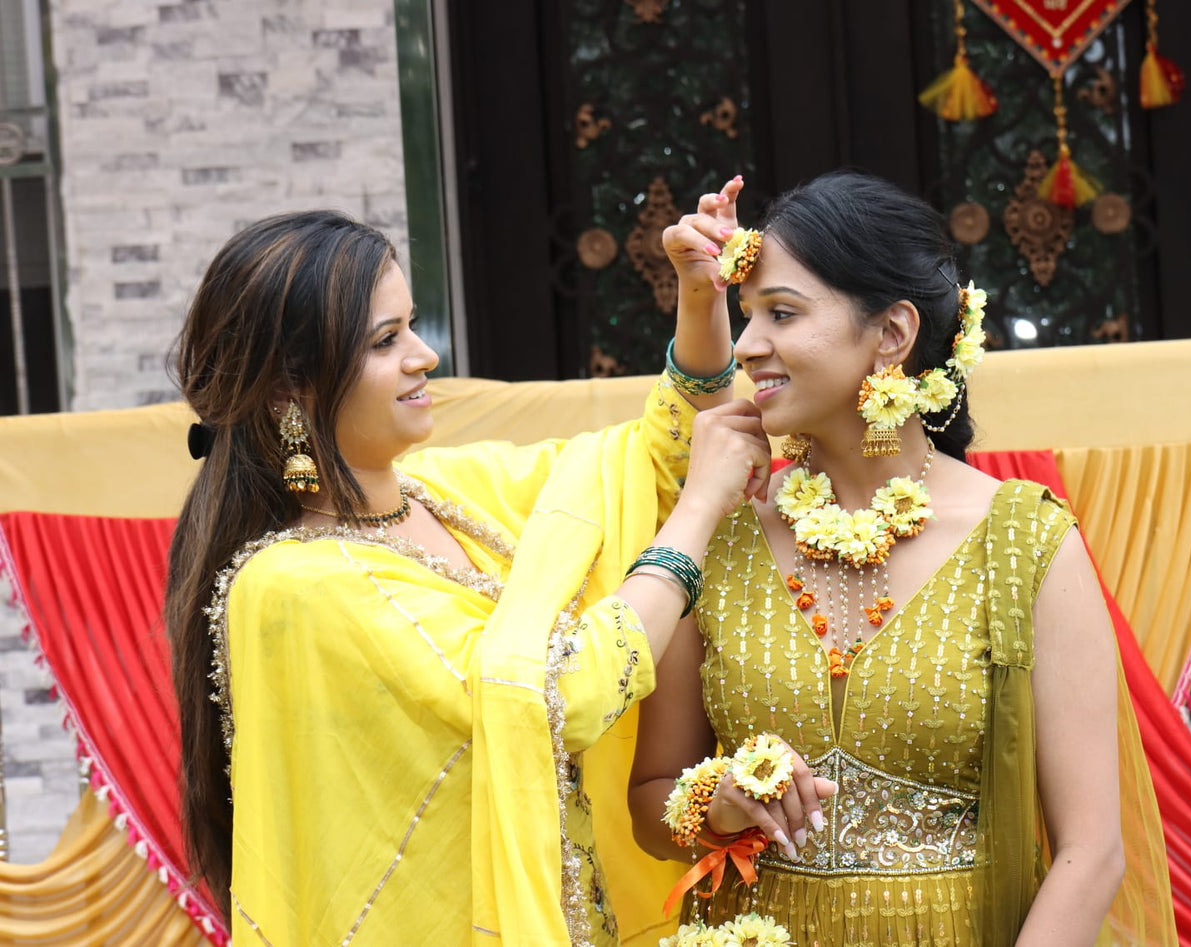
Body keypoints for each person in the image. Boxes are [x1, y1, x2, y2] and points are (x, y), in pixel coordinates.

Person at [164, 184, 768, 946]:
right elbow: (559, 696)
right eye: (386, 341)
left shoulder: (442, 491)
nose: (424, 356)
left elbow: (651, 462)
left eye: (411, 326)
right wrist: (700, 510)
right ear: (291, 391)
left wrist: (700, 297)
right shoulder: (293, 587)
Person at [628, 171, 1176, 946]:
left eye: (781, 312)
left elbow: (1090, 854)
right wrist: (716, 805)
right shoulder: (719, 532)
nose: (747, 346)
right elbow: (650, 798)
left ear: (891, 334)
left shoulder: (1022, 542)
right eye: (746, 314)